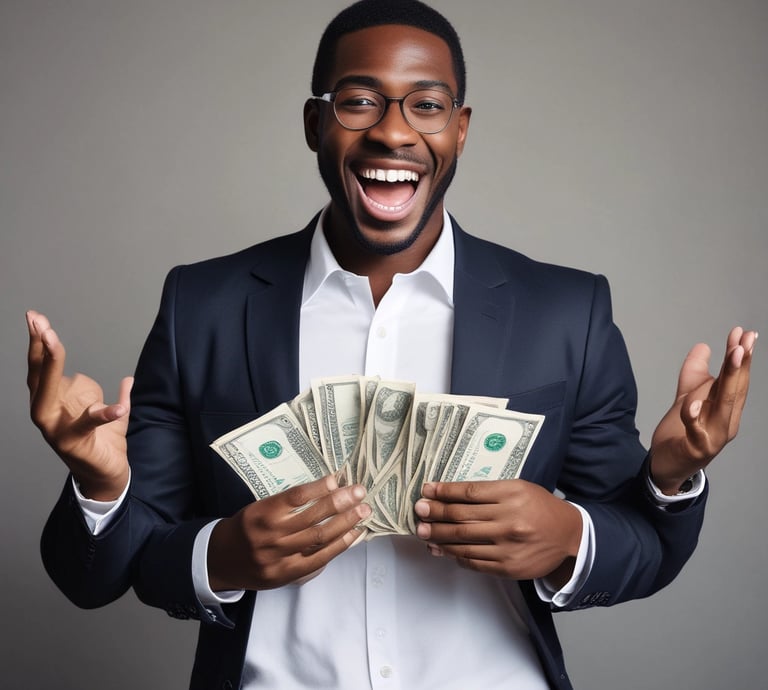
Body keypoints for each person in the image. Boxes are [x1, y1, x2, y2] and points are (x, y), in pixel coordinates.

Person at [27, 1, 756, 689]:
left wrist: (623, 502)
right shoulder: (203, 306)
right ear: (315, 123)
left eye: (427, 105)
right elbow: (95, 575)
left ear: (460, 129)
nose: (394, 132)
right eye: (359, 100)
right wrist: (170, 527)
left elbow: (648, 548)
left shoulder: (567, 311)